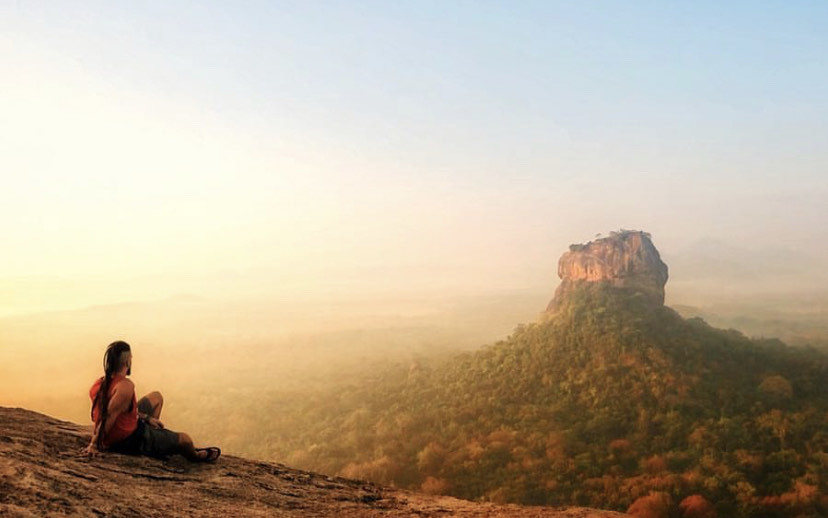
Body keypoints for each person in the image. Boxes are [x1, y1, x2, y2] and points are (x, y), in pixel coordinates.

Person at [83, 340, 220, 462]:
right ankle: (193, 456)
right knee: (185, 440)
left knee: (156, 397)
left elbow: (118, 411)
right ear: (127, 362)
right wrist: (94, 444)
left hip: (125, 425)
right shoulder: (125, 387)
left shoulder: (100, 383)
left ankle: (154, 437)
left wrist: (147, 418)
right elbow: (109, 416)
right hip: (129, 439)